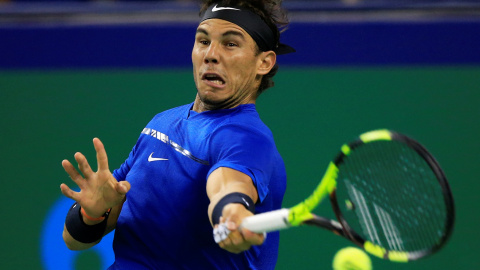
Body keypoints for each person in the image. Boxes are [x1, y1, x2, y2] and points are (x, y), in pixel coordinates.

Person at [60, 0, 295, 269]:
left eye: (230, 44)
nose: (211, 54)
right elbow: (73, 241)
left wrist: (231, 211)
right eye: (203, 41)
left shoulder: (247, 139)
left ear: (264, 63)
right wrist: (93, 215)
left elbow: (229, 186)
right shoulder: (163, 122)